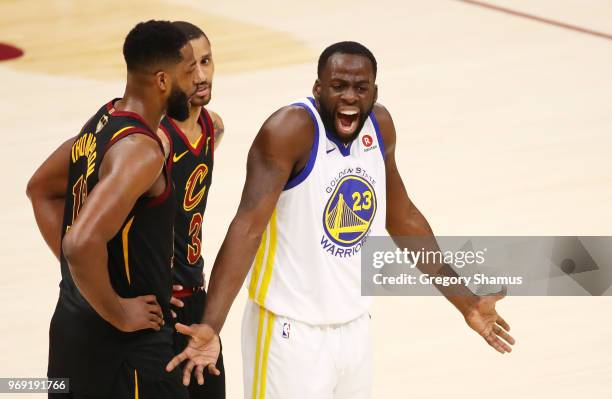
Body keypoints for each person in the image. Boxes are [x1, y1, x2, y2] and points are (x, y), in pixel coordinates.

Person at [167, 41, 516, 399]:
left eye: (360, 88)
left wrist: (466, 301)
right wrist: (211, 325)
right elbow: (247, 228)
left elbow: (403, 217)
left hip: (355, 330)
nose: (350, 96)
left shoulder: (380, 126)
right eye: (338, 87)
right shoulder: (289, 131)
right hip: (289, 334)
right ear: (318, 89)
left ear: (374, 92)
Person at [26, 20, 206, 398]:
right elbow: (80, 245)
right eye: (188, 72)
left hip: (71, 328)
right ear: (162, 80)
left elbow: (40, 189)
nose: (195, 83)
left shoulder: (102, 121)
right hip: (125, 347)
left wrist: (82, 279)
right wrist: (119, 310)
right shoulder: (140, 151)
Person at [158, 21, 226, 398]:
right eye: (189, 68)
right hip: (160, 306)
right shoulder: (157, 141)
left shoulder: (212, 126)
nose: (201, 76)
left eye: (207, 61)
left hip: (196, 297)